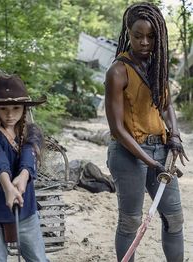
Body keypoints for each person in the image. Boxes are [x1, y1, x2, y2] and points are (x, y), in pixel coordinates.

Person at [105, 2, 188, 262]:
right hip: (128, 153)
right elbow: (117, 129)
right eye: (138, 35)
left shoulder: (157, 64)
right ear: (128, 32)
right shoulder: (118, 71)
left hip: (160, 151)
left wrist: (173, 135)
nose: (144, 42)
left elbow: (167, 107)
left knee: (174, 218)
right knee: (130, 222)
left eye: (150, 36)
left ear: (158, 37)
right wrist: (148, 161)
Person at [0, 75, 49, 262]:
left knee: (39, 259)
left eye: (16, 108)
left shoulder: (32, 131)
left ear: (24, 108)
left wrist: (22, 179)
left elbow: (28, 157)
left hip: (25, 210)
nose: (10, 114)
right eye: (3, 108)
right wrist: (8, 187)